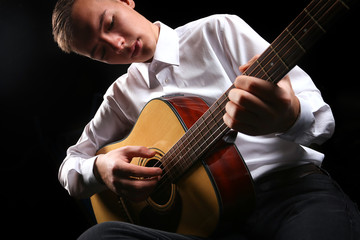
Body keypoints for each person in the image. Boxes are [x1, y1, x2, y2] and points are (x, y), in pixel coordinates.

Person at [52, 0, 360, 239]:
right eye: (100, 50)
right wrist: (100, 167)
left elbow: (320, 116)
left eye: (111, 22)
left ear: (125, 1)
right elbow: (70, 165)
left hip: (291, 195)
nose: (116, 43)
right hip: (206, 228)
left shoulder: (218, 30)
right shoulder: (121, 95)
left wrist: (289, 116)